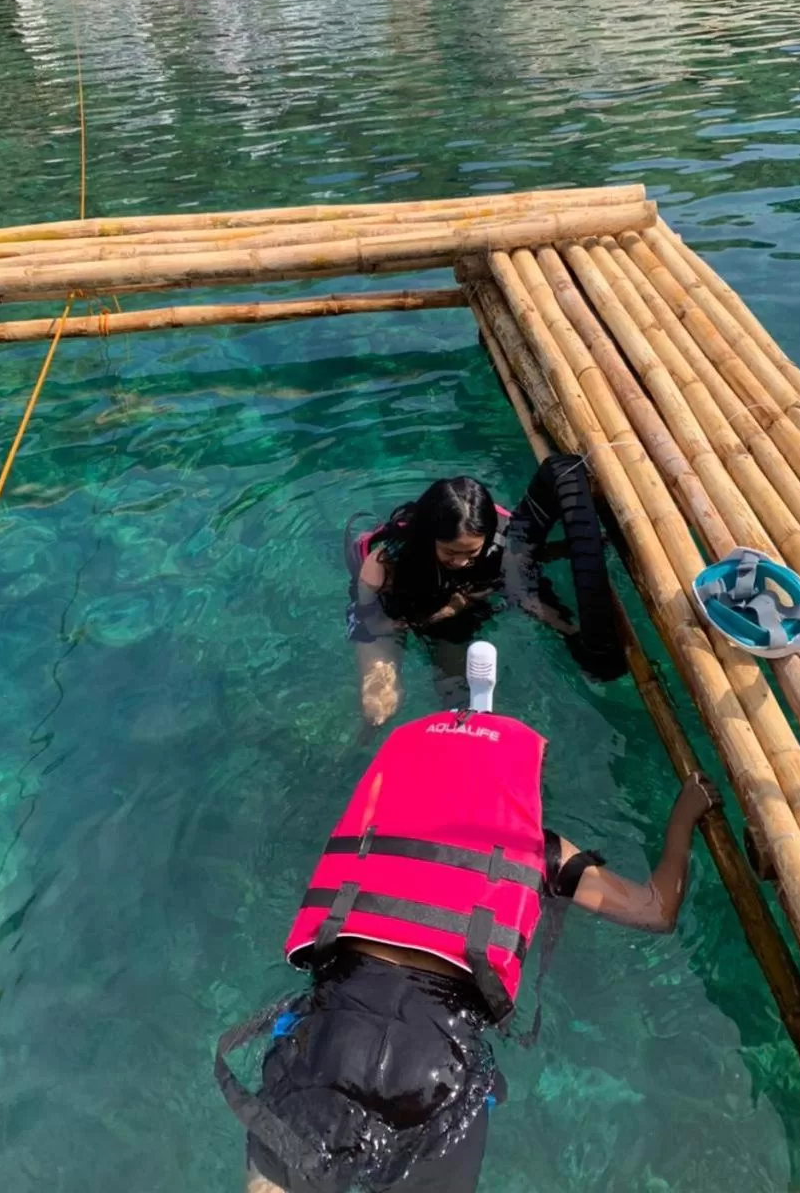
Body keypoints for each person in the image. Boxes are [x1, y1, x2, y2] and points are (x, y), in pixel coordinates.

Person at [215, 644, 720, 1193]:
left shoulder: (379, 828)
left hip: (333, 1032)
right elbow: (657, 910)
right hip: (436, 1061)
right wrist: (683, 818)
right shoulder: (539, 849)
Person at [346, 458, 625, 727]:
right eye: (450, 552)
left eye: (470, 552)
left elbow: (523, 572)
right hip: (397, 607)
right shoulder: (386, 563)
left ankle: (461, 740)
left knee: (458, 693)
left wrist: (573, 633)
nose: (461, 561)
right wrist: (450, 609)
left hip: (455, 608)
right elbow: (374, 625)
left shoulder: (498, 539)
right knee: (379, 708)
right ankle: (361, 746)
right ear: (429, 536)